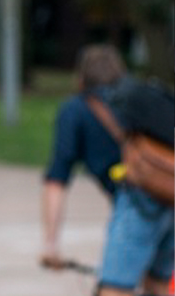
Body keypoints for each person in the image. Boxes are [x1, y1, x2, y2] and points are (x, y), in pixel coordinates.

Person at [41, 44, 173, 296]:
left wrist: (50, 244)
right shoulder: (144, 96)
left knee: (114, 290)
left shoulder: (76, 110)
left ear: (80, 77)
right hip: (170, 198)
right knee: (157, 286)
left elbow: (56, 181)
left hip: (139, 205)